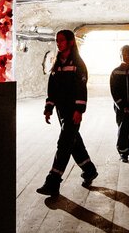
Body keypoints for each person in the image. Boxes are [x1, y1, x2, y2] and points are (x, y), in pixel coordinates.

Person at [36, 30, 98, 196]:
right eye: (57, 40)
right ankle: (89, 170)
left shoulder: (78, 64)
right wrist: (49, 107)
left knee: (64, 143)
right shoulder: (57, 65)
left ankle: (53, 181)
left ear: (70, 42)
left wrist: (79, 110)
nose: (58, 43)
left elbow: (81, 89)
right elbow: (52, 89)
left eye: (61, 40)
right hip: (61, 111)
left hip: (73, 111)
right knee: (73, 142)